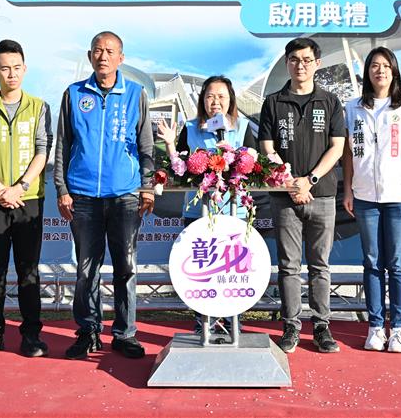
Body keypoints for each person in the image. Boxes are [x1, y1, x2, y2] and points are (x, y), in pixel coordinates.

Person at [54, 31, 155, 360]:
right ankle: (88, 331)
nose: (103, 57)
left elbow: (146, 146)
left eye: (110, 51)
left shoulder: (135, 94)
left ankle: (125, 334)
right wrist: (62, 189)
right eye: (98, 51)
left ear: (121, 58)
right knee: (87, 269)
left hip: (125, 195)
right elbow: (63, 144)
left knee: (126, 267)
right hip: (82, 196)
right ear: (89, 56)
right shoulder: (74, 94)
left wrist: (147, 186)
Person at [258, 37, 346, 354]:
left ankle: (322, 326)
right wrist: (290, 182)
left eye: (307, 60)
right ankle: (291, 326)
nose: (301, 65)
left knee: (320, 265)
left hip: (322, 194)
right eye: (295, 59)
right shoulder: (273, 102)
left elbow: (337, 147)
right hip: (284, 196)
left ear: (317, 64)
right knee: (289, 266)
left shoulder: (330, 101)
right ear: (287, 63)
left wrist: (309, 180)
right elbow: (267, 148)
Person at [0, 39, 53, 359]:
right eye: (5, 68)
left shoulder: (39, 107)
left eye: (17, 68)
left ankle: (31, 335)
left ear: (25, 69)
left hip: (28, 199)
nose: (11, 74)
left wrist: (20, 186)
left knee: (28, 270)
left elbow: (43, 150)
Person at [156, 75, 258, 340]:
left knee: (233, 271)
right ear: (202, 100)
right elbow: (178, 168)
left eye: (221, 96)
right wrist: (170, 144)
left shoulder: (243, 127)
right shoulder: (191, 128)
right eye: (210, 96)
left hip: (235, 212)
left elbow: (253, 167)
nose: (215, 102)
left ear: (230, 100)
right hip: (198, 213)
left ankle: (233, 321)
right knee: (202, 270)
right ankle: (203, 321)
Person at [342, 46, 401, 353]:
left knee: (398, 263)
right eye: (374, 66)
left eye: (386, 66)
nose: (380, 71)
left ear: (394, 71)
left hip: (400, 195)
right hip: (365, 195)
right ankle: (376, 327)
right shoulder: (353, 107)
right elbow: (348, 153)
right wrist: (348, 189)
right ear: (366, 72)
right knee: (372, 262)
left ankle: (399, 329)